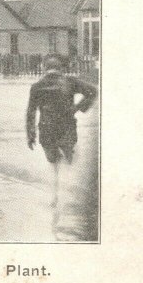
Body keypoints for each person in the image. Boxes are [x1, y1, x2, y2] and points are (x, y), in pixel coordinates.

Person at [26, 54, 98, 207]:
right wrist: (77, 108)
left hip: (47, 131)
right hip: (67, 128)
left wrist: (30, 135)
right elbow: (93, 91)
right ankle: (71, 193)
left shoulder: (37, 86)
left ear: (44, 69)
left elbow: (31, 112)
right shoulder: (70, 82)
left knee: (54, 163)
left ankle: (56, 196)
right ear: (61, 69)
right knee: (69, 159)